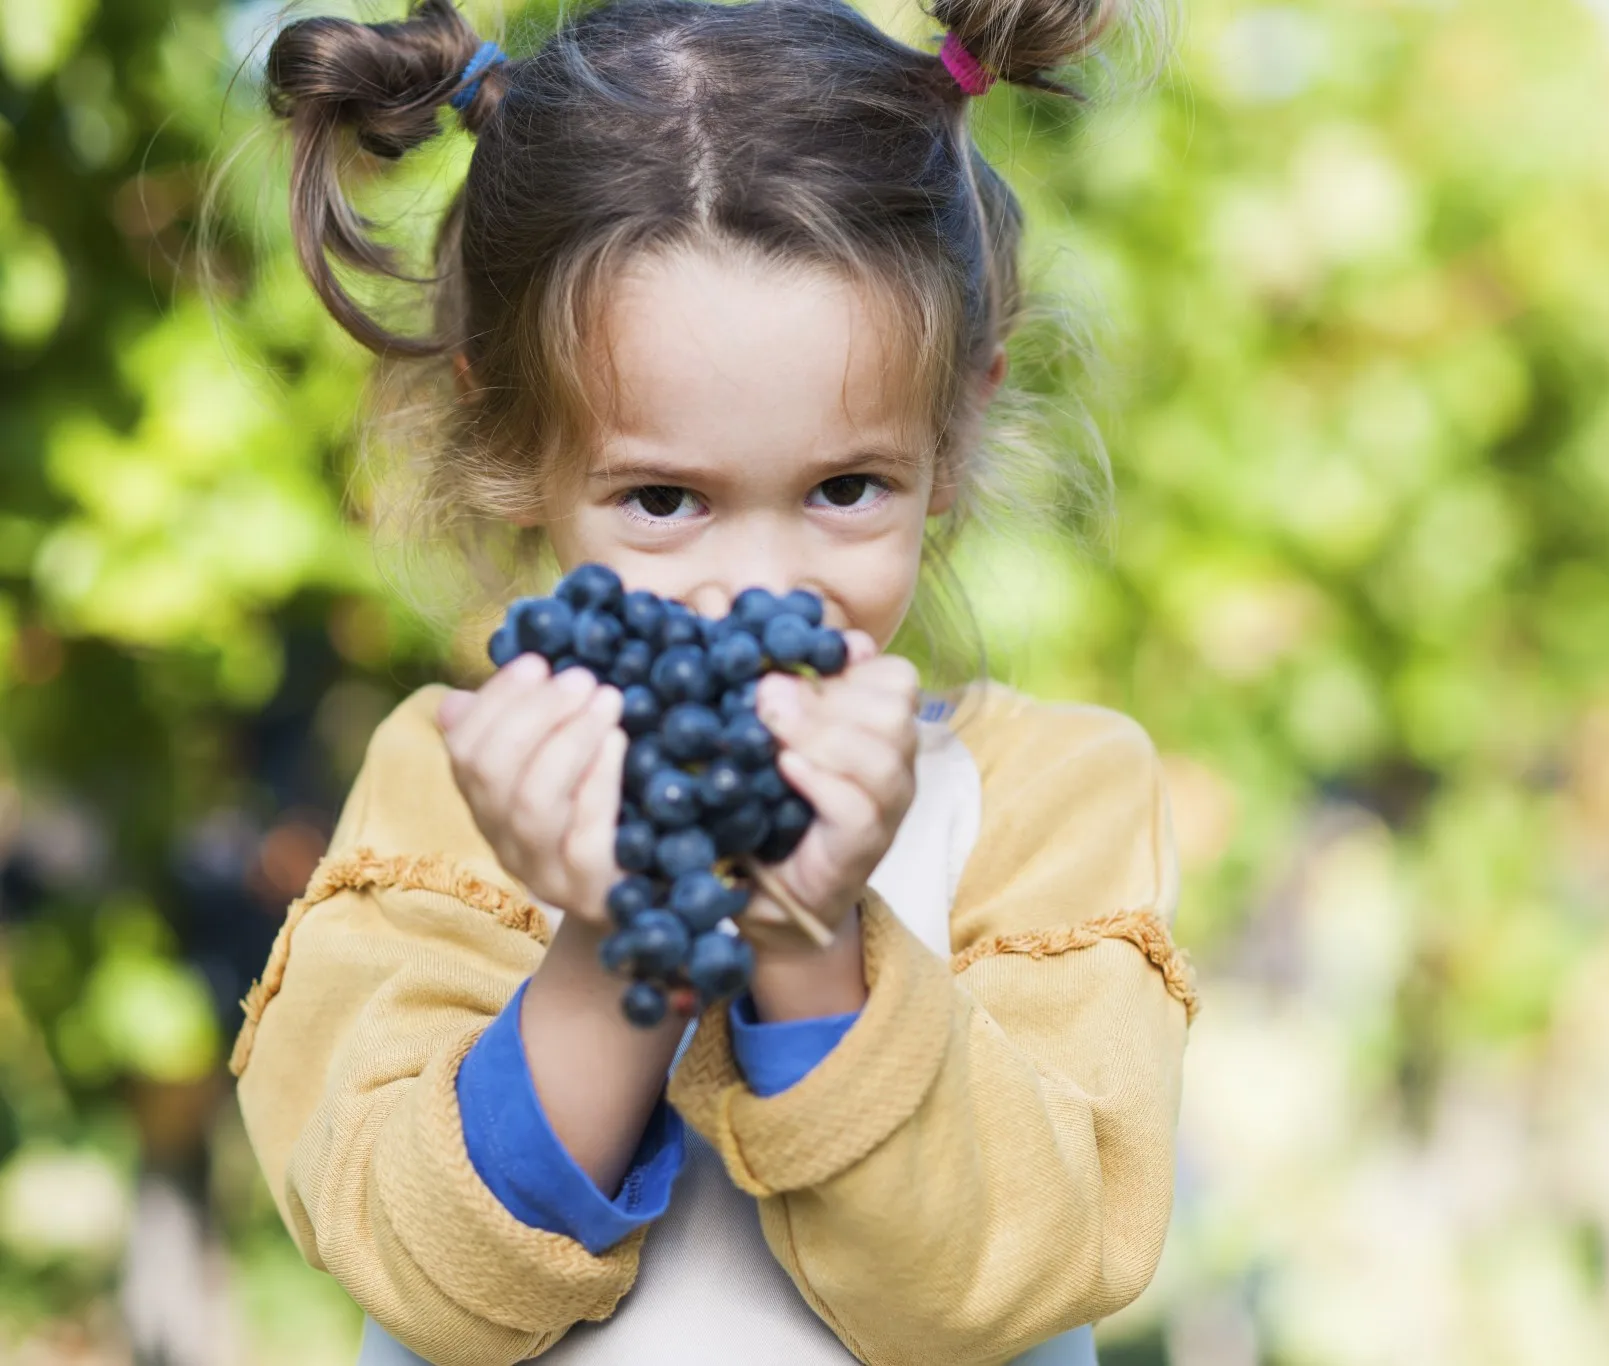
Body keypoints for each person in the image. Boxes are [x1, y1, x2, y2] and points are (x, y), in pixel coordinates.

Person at [227, 0, 1195, 1363]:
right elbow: (420, 1268)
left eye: (845, 488)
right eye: (667, 498)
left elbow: (1000, 1280)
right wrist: (619, 929)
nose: (754, 588)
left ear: (957, 426)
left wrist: (810, 934)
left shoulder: (1054, 797)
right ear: (512, 434)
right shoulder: (447, 789)